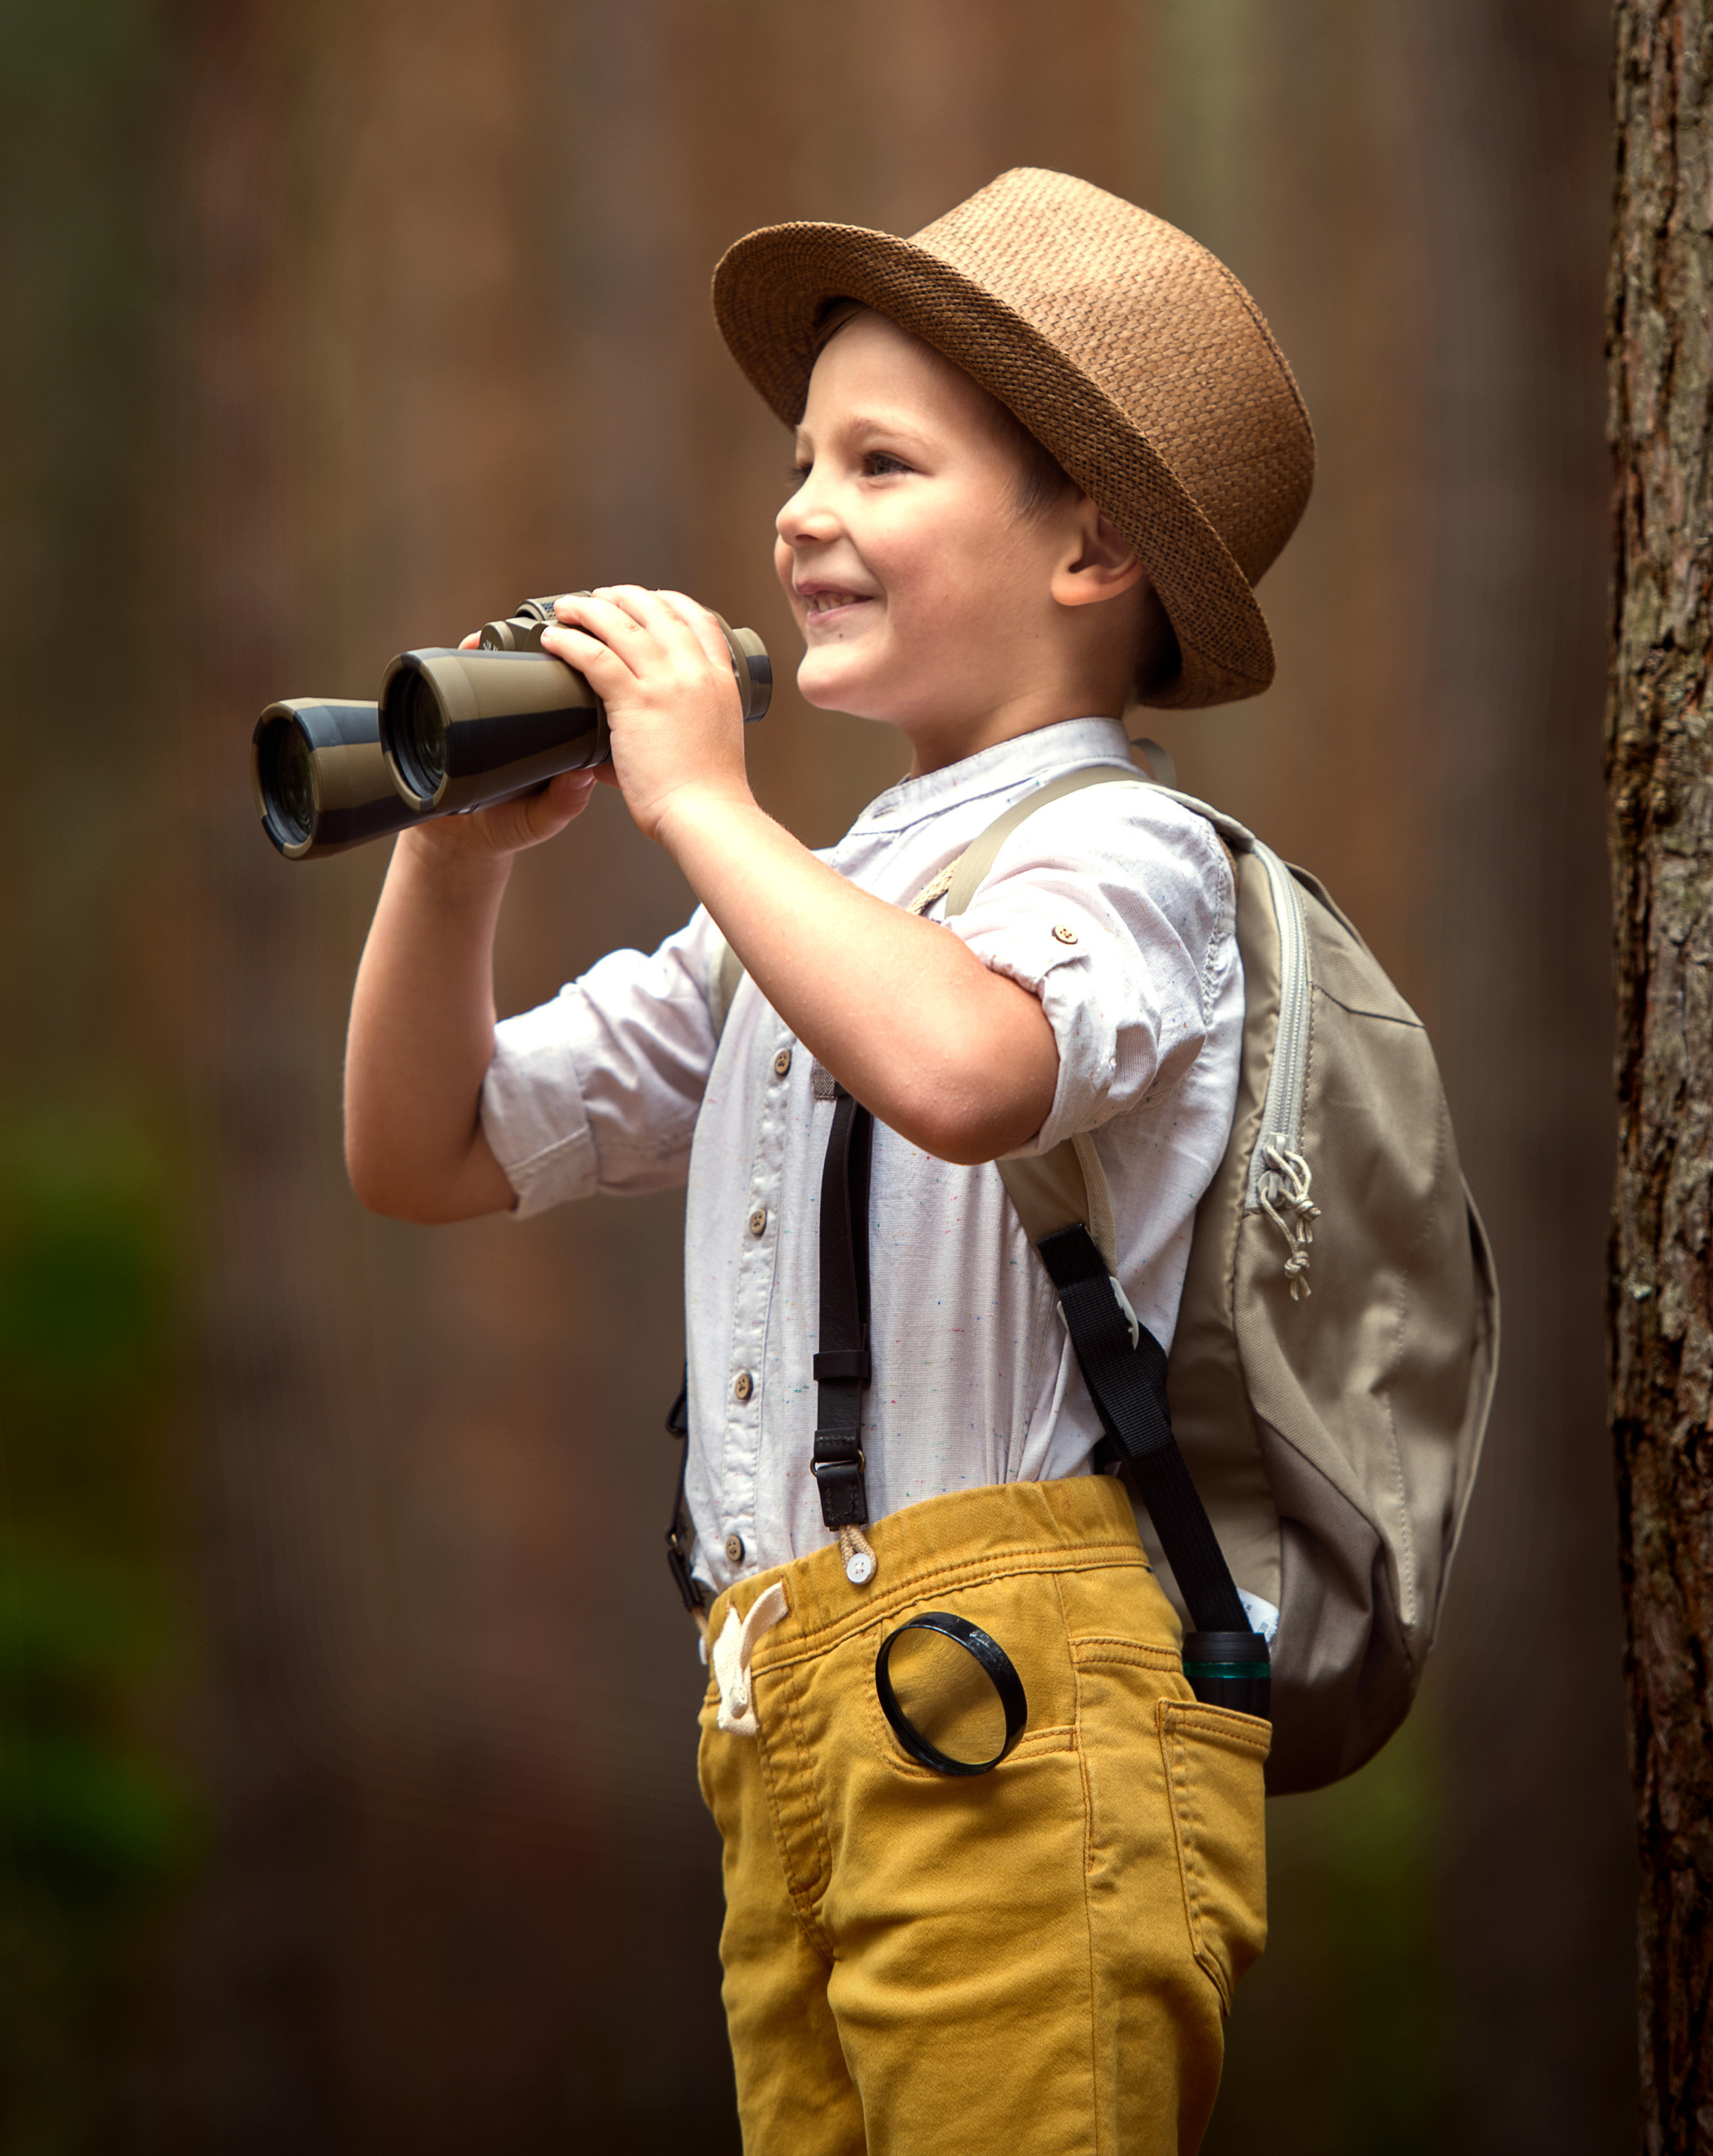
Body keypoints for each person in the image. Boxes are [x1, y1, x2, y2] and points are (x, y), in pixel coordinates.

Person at [343, 165, 1314, 2156]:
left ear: (1093, 546)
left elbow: (963, 1067)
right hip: (786, 1710)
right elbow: (426, 1153)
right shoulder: (813, 899)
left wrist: (701, 801)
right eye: (801, 463)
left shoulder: (1122, 853)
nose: (799, 517)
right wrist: (450, 869)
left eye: (882, 465)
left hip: (1029, 1708)